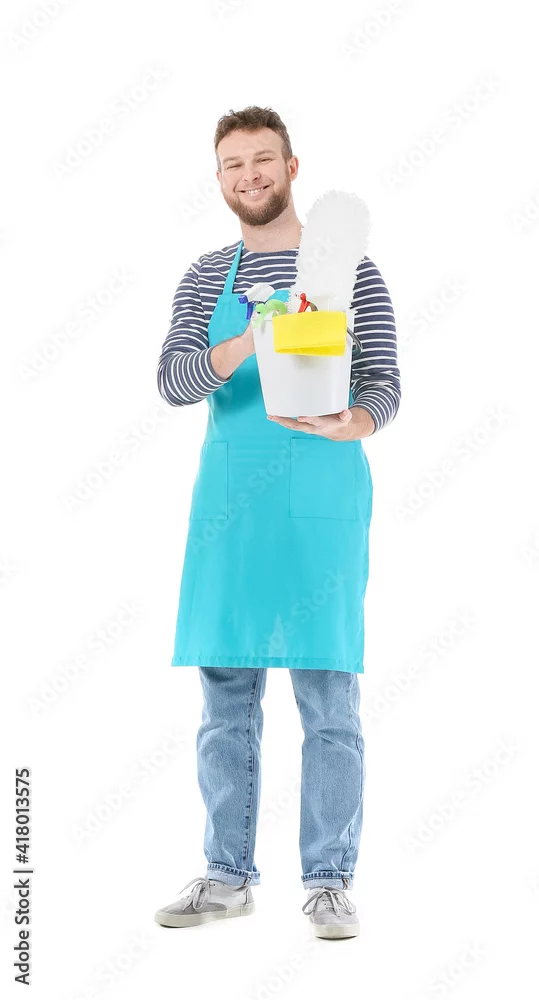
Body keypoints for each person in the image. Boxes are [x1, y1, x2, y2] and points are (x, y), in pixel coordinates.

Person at [154, 106, 400, 939]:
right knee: (225, 700)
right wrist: (245, 344)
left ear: (292, 167)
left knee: (328, 699)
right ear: (219, 179)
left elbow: (384, 383)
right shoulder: (204, 276)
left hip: (321, 501)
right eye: (233, 164)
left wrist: (350, 421)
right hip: (230, 511)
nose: (249, 175)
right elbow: (174, 381)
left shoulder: (350, 271)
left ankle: (328, 881)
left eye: (263, 159)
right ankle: (226, 875)